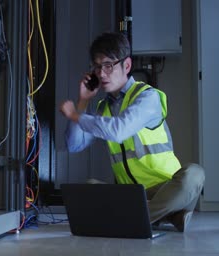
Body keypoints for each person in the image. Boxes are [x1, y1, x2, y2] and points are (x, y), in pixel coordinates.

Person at [59, 32, 205, 232]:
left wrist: (75, 116)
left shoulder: (148, 97)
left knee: (194, 174)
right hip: (131, 195)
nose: (101, 74)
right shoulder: (103, 107)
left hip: (166, 188)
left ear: (126, 66)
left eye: (108, 65)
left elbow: (119, 131)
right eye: (97, 66)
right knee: (90, 186)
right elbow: (74, 145)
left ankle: (132, 218)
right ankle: (167, 215)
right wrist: (83, 102)